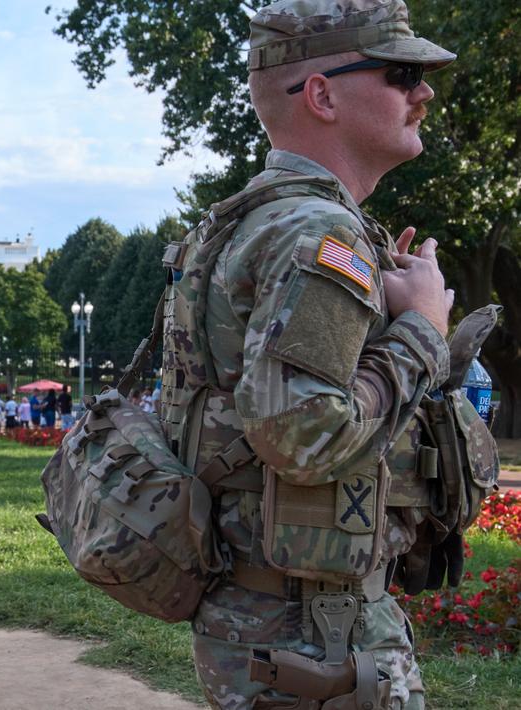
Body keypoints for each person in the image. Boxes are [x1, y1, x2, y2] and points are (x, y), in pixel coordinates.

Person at [172, 4, 457, 707]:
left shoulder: (251, 220)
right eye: (401, 74)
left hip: (273, 619)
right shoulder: (318, 233)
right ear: (323, 95)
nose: (422, 93)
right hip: (318, 636)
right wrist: (422, 326)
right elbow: (305, 436)